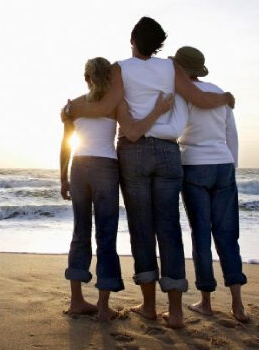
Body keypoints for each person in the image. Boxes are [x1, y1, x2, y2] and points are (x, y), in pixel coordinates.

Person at [62, 17, 235, 329]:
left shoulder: (120, 68)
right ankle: (177, 313)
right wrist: (223, 98)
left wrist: (73, 110)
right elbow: (198, 98)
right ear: (159, 44)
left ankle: (149, 306)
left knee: (142, 227)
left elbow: (107, 106)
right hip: (169, 153)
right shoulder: (171, 68)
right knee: (169, 227)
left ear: (132, 39)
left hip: (133, 151)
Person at [60, 57, 174, 321]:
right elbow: (133, 133)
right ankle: (103, 308)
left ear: (86, 78)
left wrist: (62, 178)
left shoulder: (73, 106)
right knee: (106, 235)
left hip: (78, 167)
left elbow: (66, 144)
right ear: (110, 79)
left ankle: (77, 301)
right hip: (105, 168)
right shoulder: (115, 104)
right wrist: (158, 109)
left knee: (80, 232)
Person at [171, 46, 249, 322]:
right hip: (223, 164)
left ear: (180, 69)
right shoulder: (221, 93)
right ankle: (238, 304)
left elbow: (176, 128)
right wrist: (231, 165)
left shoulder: (182, 94)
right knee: (228, 235)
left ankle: (206, 300)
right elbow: (232, 133)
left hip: (194, 164)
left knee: (201, 234)